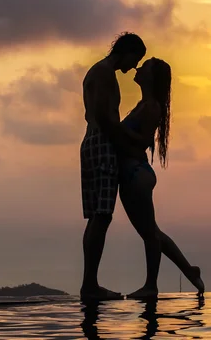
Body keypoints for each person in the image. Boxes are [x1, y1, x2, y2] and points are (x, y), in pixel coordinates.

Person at [118, 57, 205, 299]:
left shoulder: (151, 107)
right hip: (131, 175)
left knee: (149, 234)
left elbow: (142, 142)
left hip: (136, 175)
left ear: (151, 78)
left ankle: (151, 286)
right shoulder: (143, 104)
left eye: (144, 67)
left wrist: (117, 129)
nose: (138, 68)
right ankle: (189, 270)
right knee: (152, 231)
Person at [80, 32, 150, 301]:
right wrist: (132, 140)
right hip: (102, 144)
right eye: (136, 59)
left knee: (98, 217)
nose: (134, 66)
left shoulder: (96, 71)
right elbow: (104, 118)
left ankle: (90, 284)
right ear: (127, 51)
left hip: (93, 142)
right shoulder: (104, 74)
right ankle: (90, 286)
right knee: (102, 216)